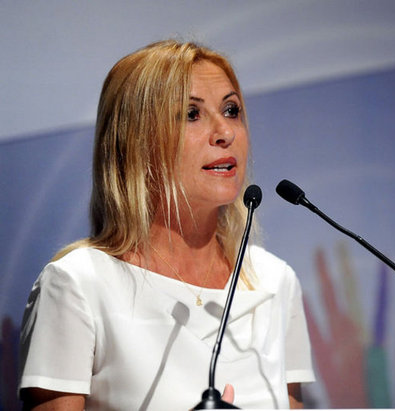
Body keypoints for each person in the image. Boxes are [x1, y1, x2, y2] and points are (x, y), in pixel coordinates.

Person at [18, 40, 315, 410]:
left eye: (231, 110)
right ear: (136, 141)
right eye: (191, 114)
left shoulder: (274, 281)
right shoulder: (78, 284)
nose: (225, 132)